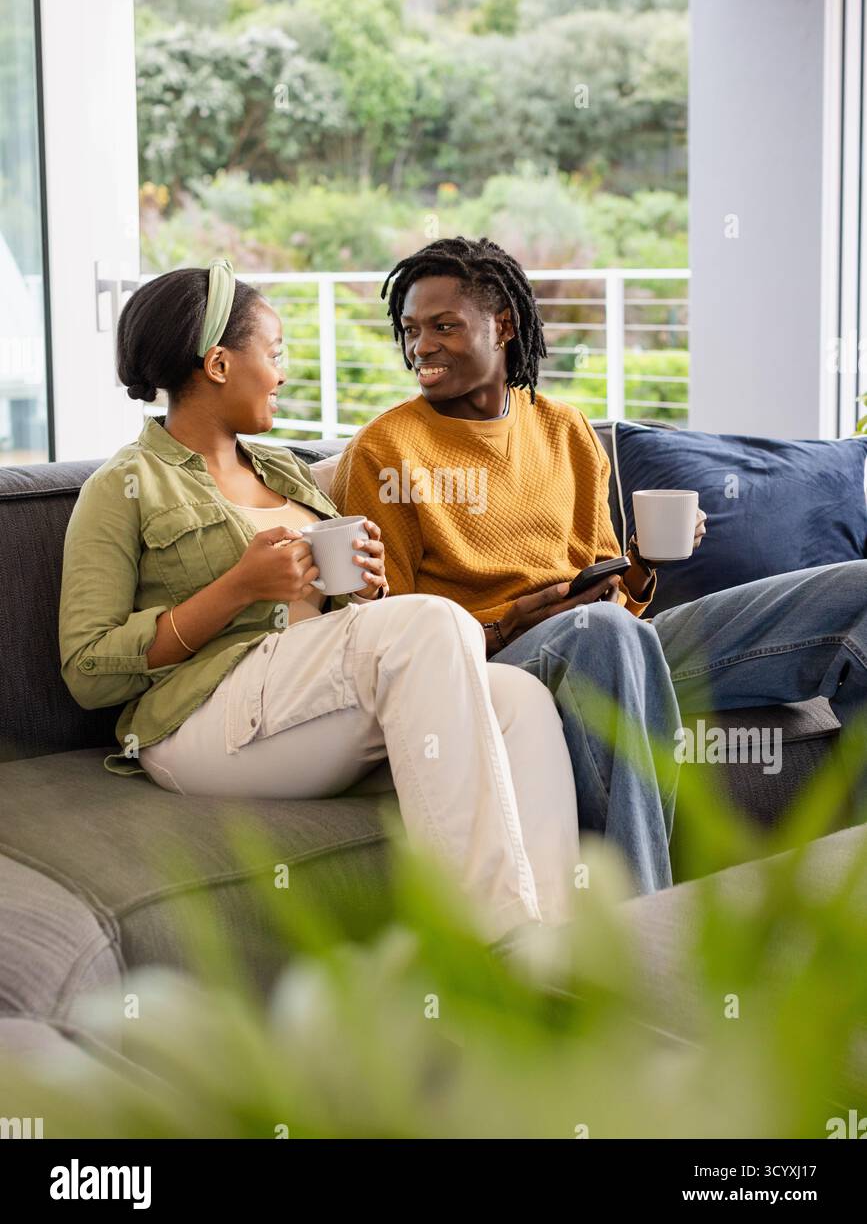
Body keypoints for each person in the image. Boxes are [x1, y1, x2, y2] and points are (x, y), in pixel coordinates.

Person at [58, 260, 584, 947]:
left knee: (517, 697)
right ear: (219, 364)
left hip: (297, 715)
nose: (281, 373)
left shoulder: (277, 468)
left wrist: (364, 588)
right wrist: (236, 589)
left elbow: (348, 631)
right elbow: (89, 670)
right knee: (432, 622)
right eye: (272, 355)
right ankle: (487, 946)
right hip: (198, 727)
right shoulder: (125, 485)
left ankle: (557, 953)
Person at [331, 236, 867, 893]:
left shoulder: (564, 429)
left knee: (855, 593)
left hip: (609, 645)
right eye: (411, 330)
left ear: (503, 325)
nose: (421, 347)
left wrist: (636, 564)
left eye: (444, 325)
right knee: (603, 635)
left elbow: (614, 596)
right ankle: (641, 937)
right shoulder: (383, 450)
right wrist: (505, 627)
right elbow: (394, 636)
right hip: (497, 665)